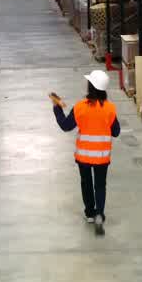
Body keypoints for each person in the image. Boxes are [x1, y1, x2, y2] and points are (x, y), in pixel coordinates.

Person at [51, 69, 120, 235]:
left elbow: (66, 126)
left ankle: (89, 213)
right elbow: (116, 131)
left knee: (86, 183)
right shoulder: (110, 108)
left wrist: (57, 109)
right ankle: (99, 214)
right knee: (100, 185)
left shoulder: (80, 107)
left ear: (90, 87)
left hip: (84, 156)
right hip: (102, 157)